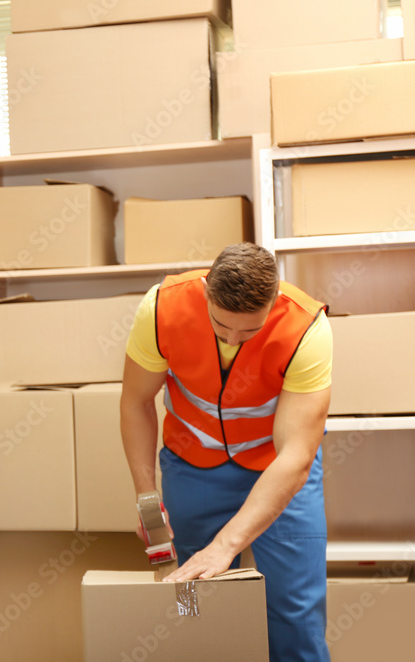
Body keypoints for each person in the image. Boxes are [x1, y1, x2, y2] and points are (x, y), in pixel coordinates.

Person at [120, 243, 332, 662]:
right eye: (221, 327)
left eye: (249, 331)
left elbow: (296, 455)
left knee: (296, 616)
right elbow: (136, 403)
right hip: (192, 466)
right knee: (197, 611)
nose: (234, 339)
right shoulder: (162, 309)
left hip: (277, 469)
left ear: (273, 303)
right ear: (206, 296)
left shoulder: (307, 329)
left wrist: (226, 545)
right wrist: (147, 497)